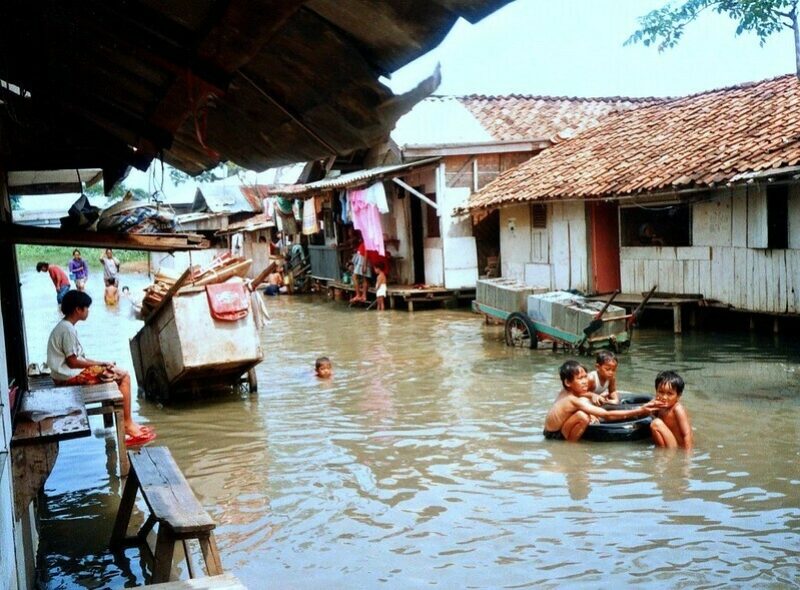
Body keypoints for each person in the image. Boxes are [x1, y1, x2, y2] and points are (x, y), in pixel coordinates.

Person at [46, 290, 155, 445]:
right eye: (86, 308)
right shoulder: (67, 329)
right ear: (78, 309)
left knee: (111, 368)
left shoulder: (65, 327)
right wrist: (99, 365)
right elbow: (73, 362)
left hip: (64, 374)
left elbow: (78, 359)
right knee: (124, 376)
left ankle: (129, 422)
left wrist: (101, 363)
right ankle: (127, 423)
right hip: (67, 377)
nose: (88, 311)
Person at [543, 360, 660, 442]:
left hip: (553, 429)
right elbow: (607, 415)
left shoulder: (566, 391)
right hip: (555, 435)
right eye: (580, 378)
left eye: (585, 377)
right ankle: (570, 447)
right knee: (583, 416)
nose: (585, 381)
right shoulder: (572, 400)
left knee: (586, 413)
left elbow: (579, 399)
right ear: (568, 382)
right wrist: (640, 410)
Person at [650, 370, 693, 450]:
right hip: (669, 443)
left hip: (677, 447)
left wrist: (688, 456)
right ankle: (661, 451)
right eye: (661, 392)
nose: (664, 397)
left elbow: (687, 434)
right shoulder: (658, 406)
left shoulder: (677, 409)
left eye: (669, 394)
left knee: (656, 423)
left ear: (678, 396)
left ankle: (664, 453)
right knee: (654, 422)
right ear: (656, 391)